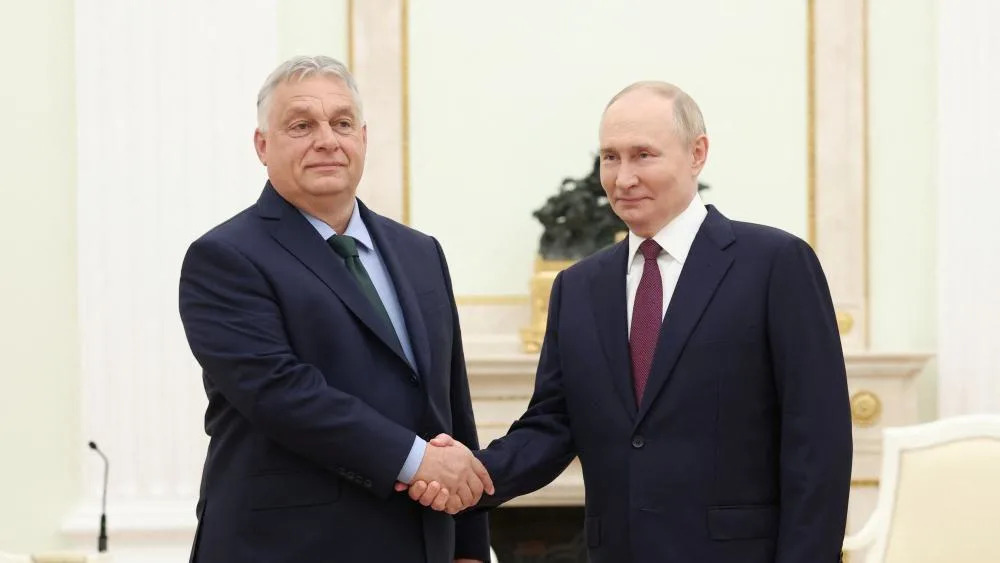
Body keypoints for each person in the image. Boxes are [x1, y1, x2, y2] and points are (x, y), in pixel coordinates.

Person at [404, 81, 853, 563]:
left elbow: (818, 446)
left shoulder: (775, 264)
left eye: (643, 155)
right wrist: (472, 473)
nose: (623, 178)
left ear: (697, 153)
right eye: (610, 157)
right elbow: (551, 426)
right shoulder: (577, 287)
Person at [178, 55, 492, 563]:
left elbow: (451, 403)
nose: (327, 139)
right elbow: (282, 393)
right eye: (301, 125)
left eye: (342, 123)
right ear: (262, 145)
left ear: (363, 138)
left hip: (420, 543)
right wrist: (418, 463)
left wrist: (470, 546)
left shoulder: (420, 252)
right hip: (286, 546)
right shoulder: (225, 258)